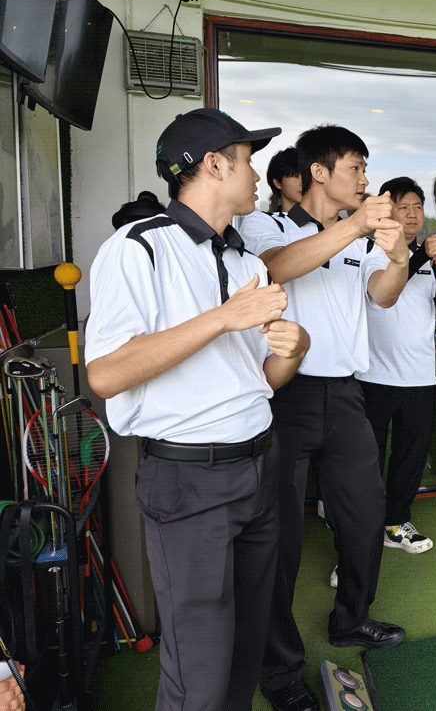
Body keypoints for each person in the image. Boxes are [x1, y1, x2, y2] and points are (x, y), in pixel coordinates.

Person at [84, 108, 310, 711]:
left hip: (260, 467)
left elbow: (259, 380)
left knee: (243, 651)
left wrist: (294, 351)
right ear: (214, 164)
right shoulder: (138, 250)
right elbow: (105, 374)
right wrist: (222, 318)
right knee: (199, 675)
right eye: (248, 160)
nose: (258, 175)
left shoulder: (244, 261)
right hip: (189, 482)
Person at [241, 125, 409, 711]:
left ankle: (351, 621)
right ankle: (281, 669)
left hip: (344, 394)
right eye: (356, 168)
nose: (366, 180)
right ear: (320, 172)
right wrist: (356, 226)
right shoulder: (266, 224)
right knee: (280, 539)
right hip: (283, 395)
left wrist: (397, 251)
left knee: (366, 516)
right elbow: (276, 268)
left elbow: (383, 295)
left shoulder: (359, 231)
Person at [357, 176, 436, 553]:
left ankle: (396, 522)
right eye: (403, 207)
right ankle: (362, 528)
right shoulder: (372, 253)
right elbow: (386, 293)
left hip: (420, 376)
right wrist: (420, 257)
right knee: (370, 459)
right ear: (389, 212)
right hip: (376, 375)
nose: (412, 214)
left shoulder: (427, 257)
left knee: (411, 456)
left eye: (418, 207)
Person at [266, 147, 303, 214]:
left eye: (306, 176)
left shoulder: (322, 219)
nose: (303, 182)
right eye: (295, 176)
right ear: (278, 183)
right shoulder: (267, 222)